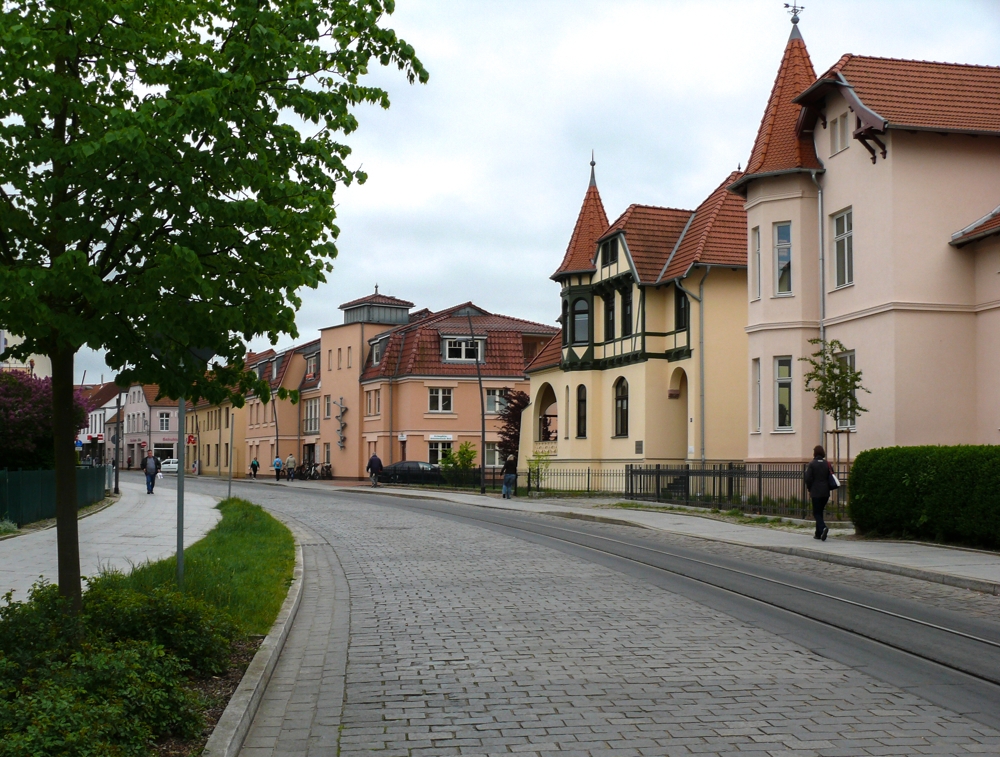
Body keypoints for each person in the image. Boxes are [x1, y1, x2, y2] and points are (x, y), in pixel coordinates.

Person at [803, 444, 833, 541]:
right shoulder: (827, 463)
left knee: (816, 513)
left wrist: (809, 488)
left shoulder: (812, 464)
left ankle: (823, 528)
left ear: (815, 453)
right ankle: (818, 533)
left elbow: (808, 478)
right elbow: (831, 475)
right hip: (825, 492)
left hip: (816, 491)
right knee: (820, 512)